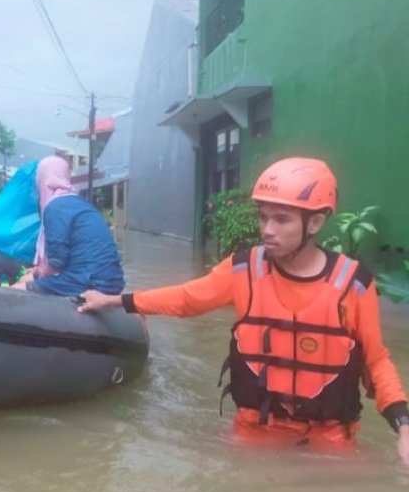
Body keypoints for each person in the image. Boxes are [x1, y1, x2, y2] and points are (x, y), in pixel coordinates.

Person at [79, 157, 409, 464]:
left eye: (281, 219)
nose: (267, 230)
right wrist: (116, 301)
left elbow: (375, 361)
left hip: (330, 438)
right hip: (255, 431)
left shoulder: (353, 284)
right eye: (263, 217)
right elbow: (186, 299)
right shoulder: (243, 270)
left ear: (316, 222)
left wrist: (404, 426)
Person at [12, 155, 125, 297]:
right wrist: (38, 271)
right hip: (111, 281)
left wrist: (35, 277)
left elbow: (56, 264)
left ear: (42, 180)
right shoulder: (79, 203)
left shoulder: (55, 207)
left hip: (87, 282)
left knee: (15, 290)